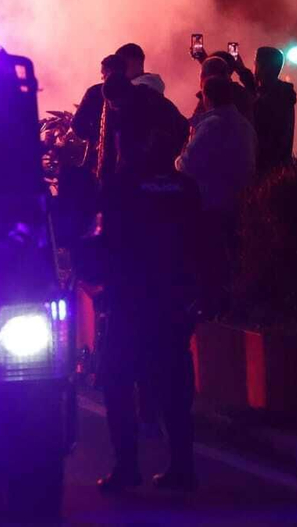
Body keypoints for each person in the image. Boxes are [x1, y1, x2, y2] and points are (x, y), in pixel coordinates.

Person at [96, 75, 205, 494]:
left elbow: (104, 245)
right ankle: (183, 468)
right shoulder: (185, 187)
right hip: (174, 305)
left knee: (117, 381)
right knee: (175, 387)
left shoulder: (121, 187)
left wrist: (97, 284)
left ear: (135, 142)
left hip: (129, 303)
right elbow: (201, 244)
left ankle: (127, 469)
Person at [176, 77, 257, 219]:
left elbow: (186, 165)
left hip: (211, 208)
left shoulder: (210, 126)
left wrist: (179, 156)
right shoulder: (247, 127)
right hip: (241, 207)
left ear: (207, 98)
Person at [240, 47, 297, 173]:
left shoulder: (271, 98)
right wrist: (241, 69)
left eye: (255, 62)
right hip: (278, 168)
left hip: (265, 168)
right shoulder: (281, 93)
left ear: (261, 67)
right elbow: (255, 89)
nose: (253, 66)